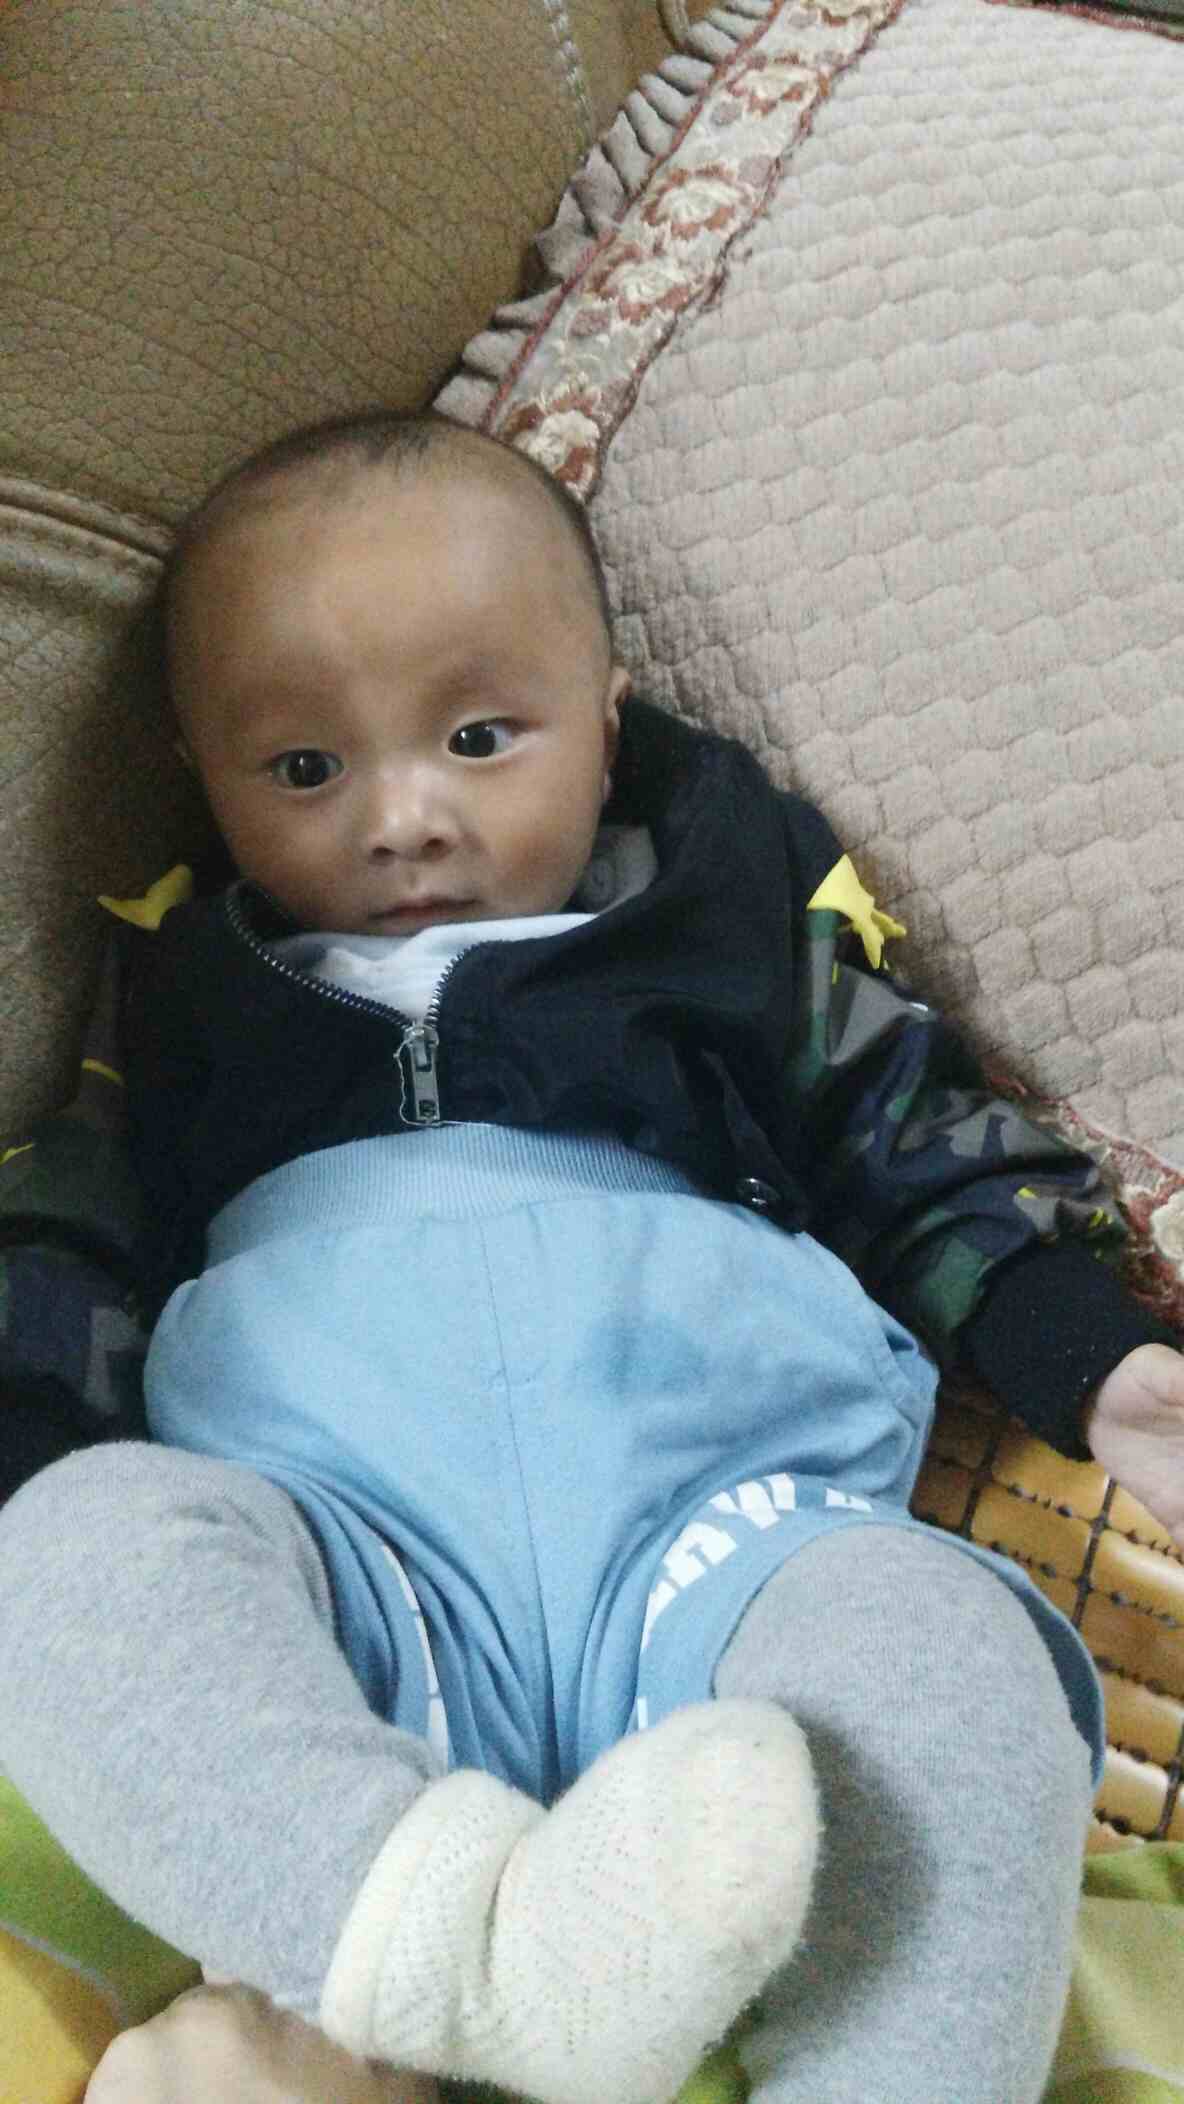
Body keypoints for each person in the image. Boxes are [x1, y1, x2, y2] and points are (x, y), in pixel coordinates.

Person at [1, 406, 1181, 2104]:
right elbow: (70, 1236)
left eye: (481, 737)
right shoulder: (185, 992)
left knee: (952, 1657)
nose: (404, 819)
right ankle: (454, 1961)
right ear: (201, 769)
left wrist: (1094, 1358)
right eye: (305, 770)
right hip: (346, 1569)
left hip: (732, 1544)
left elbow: (906, 1124)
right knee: (66, 1556)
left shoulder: (727, 915)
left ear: (609, 721)